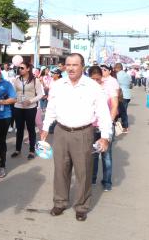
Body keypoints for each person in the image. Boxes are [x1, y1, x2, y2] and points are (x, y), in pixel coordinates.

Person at [41, 53, 112, 222]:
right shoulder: (58, 85)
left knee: (84, 172)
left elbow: (103, 112)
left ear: (82, 67)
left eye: (75, 65)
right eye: (68, 65)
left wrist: (105, 136)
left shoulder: (92, 86)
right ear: (64, 66)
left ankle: (81, 206)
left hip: (83, 133)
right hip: (60, 132)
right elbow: (51, 107)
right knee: (60, 170)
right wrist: (45, 128)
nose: (71, 68)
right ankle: (60, 202)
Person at [88, 66, 118, 192]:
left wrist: (109, 122)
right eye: (92, 79)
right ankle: (92, 179)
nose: (95, 81)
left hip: (105, 127)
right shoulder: (86, 88)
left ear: (102, 77)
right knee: (93, 155)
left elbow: (115, 105)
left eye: (98, 79)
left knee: (106, 155)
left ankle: (107, 182)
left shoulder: (108, 87)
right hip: (90, 126)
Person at [11, 62, 44, 159]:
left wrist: (30, 101)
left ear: (28, 69)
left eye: (22, 68)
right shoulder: (16, 80)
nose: (20, 69)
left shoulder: (35, 81)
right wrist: (14, 100)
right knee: (19, 129)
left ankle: (31, 151)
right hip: (18, 107)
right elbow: (13, 93)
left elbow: (40, 94)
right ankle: (18, 149)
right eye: (19, 68)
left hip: (30, 108)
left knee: (31, 129)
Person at [114, 63, 132, 133]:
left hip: (121, 95)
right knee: (124, 111)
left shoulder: (117, 76)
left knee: (120, 111)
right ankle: (123, 126)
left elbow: (116, 86)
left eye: (115, 68)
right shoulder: (127, 75)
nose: (114, 70)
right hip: (127, 95)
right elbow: (131, 85)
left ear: (117, 68)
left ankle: (124, 126)